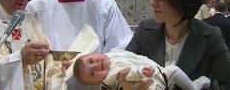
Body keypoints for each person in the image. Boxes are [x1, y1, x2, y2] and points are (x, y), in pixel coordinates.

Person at [125, 0, 230, 89]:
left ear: (184, 0)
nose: (153, 2)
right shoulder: (145, 29)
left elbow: (226, 83)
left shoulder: (210, 36)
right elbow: (123, 65)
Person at [73, 50, 211, 90]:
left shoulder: (111, 53)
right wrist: (141, 71)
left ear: (93, 53)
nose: (96, 66)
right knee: (173, 70)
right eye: (92, 73)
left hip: (155, 71)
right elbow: (129, 73)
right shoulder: (111, 76)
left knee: (172, 70)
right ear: (97, 82)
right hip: (150, 83)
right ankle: (193, 87)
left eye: (91, 60)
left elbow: (134, 56)